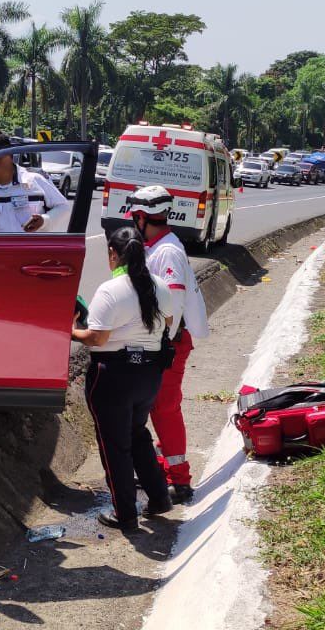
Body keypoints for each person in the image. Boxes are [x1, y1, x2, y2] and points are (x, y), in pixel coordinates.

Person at [71, 226, 180, 532]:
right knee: (136, 433)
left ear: (112, 254)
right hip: (149, 375)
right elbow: (168, 323)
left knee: (114, 445)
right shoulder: (159, 285)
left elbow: (96, 337)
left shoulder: (111, 290)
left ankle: (125, 514)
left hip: (113, 377)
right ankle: (159, 498)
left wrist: (71, 330)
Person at [124, 185, 209, 504]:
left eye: (135, 216)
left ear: (142, 216)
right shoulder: (156, 246)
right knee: (155, 407)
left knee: (164, 408)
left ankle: (180, 479)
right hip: (159, 342)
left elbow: (172, 302)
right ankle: (161, 469)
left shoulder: (167, 251)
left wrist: (159, 342)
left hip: (167, 343)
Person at [0, 131, 70, 233]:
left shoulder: (35, 180)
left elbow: (63, 206)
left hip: (32, 255)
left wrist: (44, 220)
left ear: (4, 153)